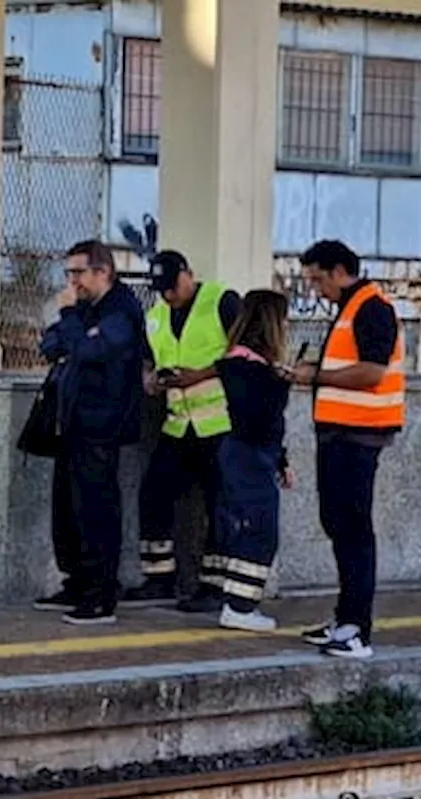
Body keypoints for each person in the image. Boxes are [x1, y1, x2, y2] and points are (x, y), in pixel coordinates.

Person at [280, 240, 406, 660]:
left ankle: (357, 629)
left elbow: (372, 371)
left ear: (338, 271)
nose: (315, 289)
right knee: (338, 524)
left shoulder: (372, 307)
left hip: (360, 435)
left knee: (353, 530)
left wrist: (315, 377)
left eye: (317, 279)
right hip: (339, 435)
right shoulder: (350, 308)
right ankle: (344, 617)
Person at [34, 239, 145, 625]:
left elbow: (87, 351)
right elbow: (50, 346)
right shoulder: (83, 310)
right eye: (68, 274)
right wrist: (70, 328)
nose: (72, 282)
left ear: (103, 272)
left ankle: (101, 593)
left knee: (96, 507)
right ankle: (77, 580)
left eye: (79, 273)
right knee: (68, 508)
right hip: (72, 422)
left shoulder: (120, 312)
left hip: (101, 424)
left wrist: (70, 325)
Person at [127, 250, 241, 612]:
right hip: (178, 423)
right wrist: (150, 381)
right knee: (154, 494)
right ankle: (160, 577)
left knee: (219, 504)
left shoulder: (221, 301)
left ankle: (214, 584)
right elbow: (148, 360)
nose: (168, 295)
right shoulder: (156, 316)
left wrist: (200, 375)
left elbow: (244, 357)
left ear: (189, 274)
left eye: (173, 286)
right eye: (161, 289)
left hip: (219, 423)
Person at [176, 290, 295, 632]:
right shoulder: (254, 370)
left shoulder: (235, 363)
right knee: (259, 529)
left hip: (242, 451)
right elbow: (263, 419)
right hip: (251, 454)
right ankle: (240, 606)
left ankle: (237, 602)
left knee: (244, 526)